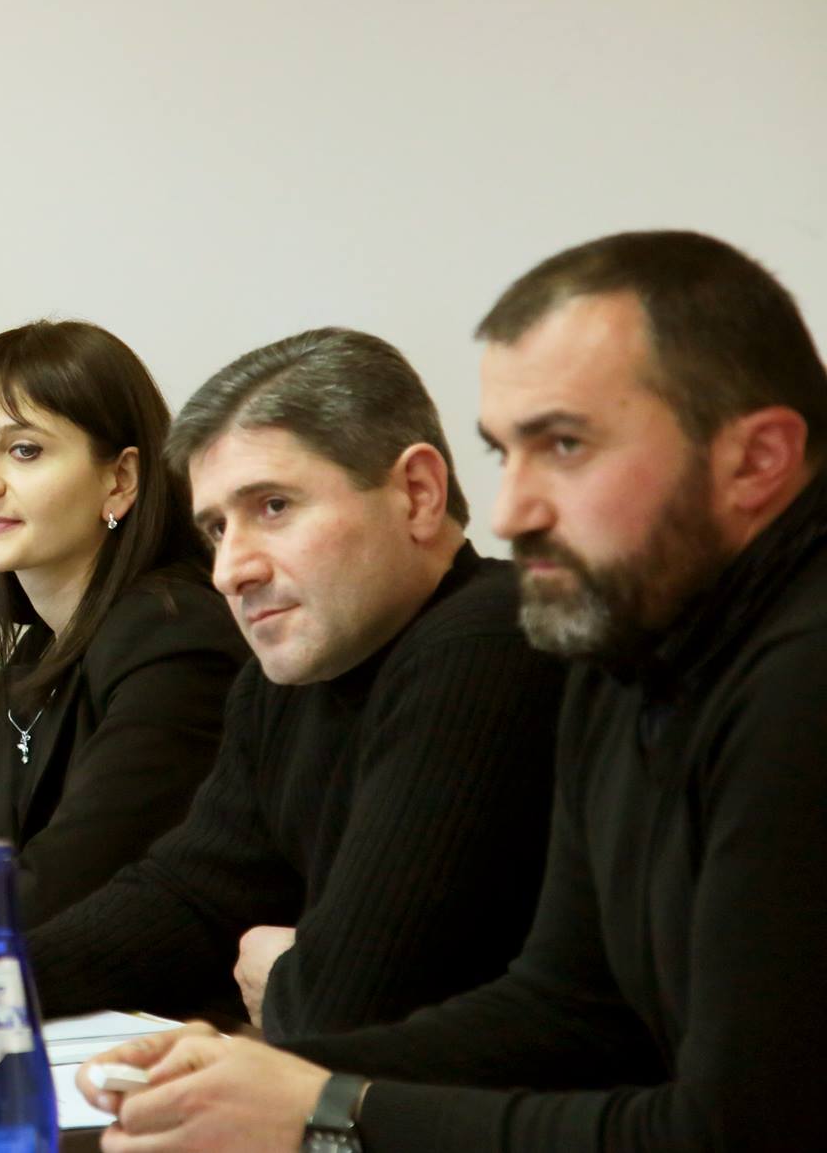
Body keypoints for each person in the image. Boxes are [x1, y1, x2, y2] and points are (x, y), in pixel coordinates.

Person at [76, 232, 827, 1153]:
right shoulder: (624, 640)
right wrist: (267, 1079)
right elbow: (568, 1009)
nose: (511, 511)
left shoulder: (800, 675)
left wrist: (329, 1110)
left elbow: (741, 1130)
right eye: (505, 453)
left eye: (564, 445)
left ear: (757, 460)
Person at [0, 328, 565, 1041]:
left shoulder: (486, 644)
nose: (230, 571)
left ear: (417, 493)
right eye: (219, 527)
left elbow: (351, 999)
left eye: (274, 507)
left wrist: (289, 976)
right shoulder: (287, 676)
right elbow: (191, 894)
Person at [0, 320, 243, 932]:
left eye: (24, 450)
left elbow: (87, 868)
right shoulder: (39, 649)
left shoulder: (174, 632)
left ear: (121, 479)